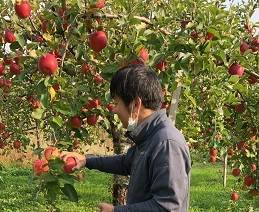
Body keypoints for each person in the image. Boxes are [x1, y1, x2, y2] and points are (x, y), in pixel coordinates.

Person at [61, 64, 191, 212]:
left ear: (135, 104)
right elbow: (126, 163)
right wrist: (86, 160)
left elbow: (169, 207)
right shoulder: (150, 137)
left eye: (117, 103)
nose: (114, 109)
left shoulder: (166, 143)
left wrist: (116, 211)